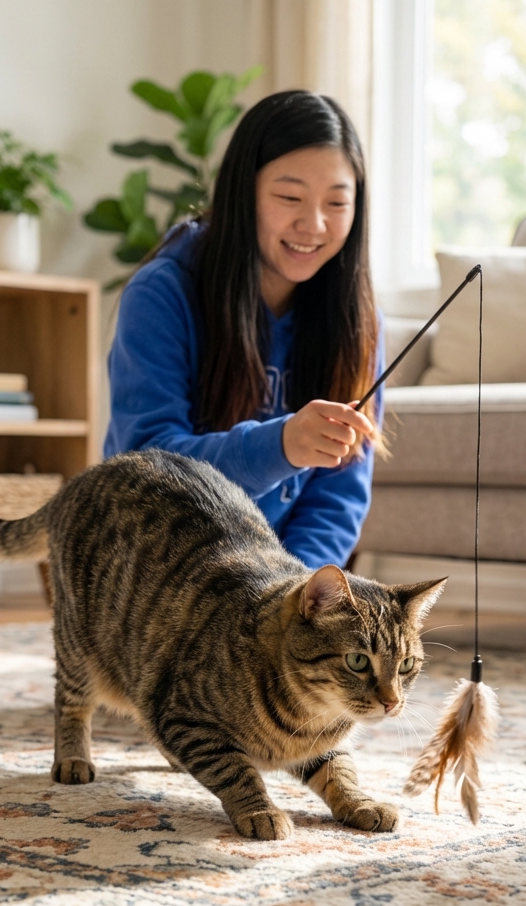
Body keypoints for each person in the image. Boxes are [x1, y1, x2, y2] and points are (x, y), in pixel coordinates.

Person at [104, 89, 383, 569]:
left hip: (274, 582)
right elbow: (148, 470)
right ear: (243, 192)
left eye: (337, 203)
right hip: (153, 572)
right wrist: (281, 446)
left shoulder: (352, 317)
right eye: (289, 197)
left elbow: (339, 497)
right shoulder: (163, 292)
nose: (312, 224)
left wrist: (295, 594)